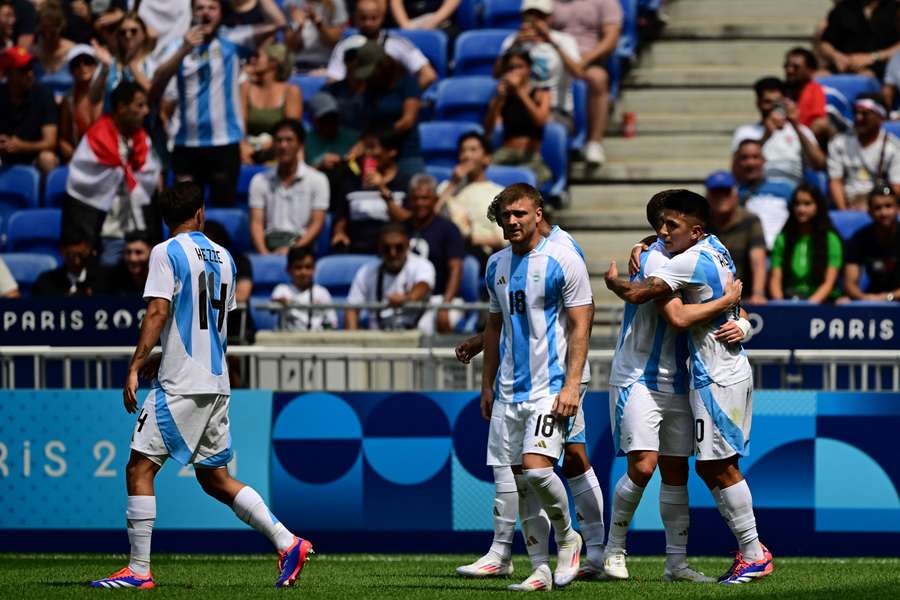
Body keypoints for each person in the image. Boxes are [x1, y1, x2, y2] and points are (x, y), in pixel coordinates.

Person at [89, 182, 313, 590]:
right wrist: (164, 353)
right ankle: (288, 541)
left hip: (181, 383)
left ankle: (138, 571)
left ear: (166, 218)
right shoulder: (225, 258)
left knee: (139, 467)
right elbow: (210, 325)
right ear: (200, 214)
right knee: (214, 477)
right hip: (216, 381)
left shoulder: (165, 251)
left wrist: (136, 364)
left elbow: (159, 310)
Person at [604, 190, 773, 585]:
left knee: (710, 465)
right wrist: (733, 307)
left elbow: (675, 315)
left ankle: (746, 553)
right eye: (658, 225)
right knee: (657, 465)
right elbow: (716, 303)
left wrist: (613, 283)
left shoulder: (684, 259)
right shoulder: (691, 251)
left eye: (670, 225)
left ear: (695, 230)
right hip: (642, 375)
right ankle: (613, 550)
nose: (662, 231)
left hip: (708, 375)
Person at [455, 210, 606, 585]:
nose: (513, 221)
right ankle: (524, 559)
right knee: (527, 469)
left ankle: (596, 548)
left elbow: (581, 314)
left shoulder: (563, 249)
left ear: (539, 215)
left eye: (520, 213)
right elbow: (506, 316)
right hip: (515, 379)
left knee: (560, 461)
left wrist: (572, 382)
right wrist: (482, 355)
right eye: (505, 215)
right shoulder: (500, 262)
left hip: (560, 376)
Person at [149, 0, 287, 207]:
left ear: (221, 13)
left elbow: (278, 23)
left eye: (212, 8)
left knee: (222, 214)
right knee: (184, 214)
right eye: (200, 8)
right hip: (187, 145)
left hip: (224, 144)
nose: (206, 13)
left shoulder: (232, 38)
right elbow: (157, 82)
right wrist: (184, 50)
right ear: (192, 13)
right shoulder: (178, 46)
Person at [62, 81, 160, 265]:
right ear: (122, 107)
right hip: (105, 232)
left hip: (139, 231)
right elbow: (81, 186)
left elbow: (149, 183)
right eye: (139, 105)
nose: (146, 111)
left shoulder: (142, 140)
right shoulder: (96, 140)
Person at [497, 0, 582, 142]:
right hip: (518, 106)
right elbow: (497, 74)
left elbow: (578, 74)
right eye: (529, 16)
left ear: (550, 18)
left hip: (556, 108)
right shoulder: (512, 40)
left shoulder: (565, 40)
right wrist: (514, 45)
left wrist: (552, 42)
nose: (534, 21)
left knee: (542, 127)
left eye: (540, 16)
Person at [551, 0, 622, 166]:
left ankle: (594, 142)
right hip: (555, 60)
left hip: (587, 60)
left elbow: (611, 37)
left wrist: (586, 58)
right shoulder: (549, 2)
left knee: (598, 78)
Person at [249, 120, 329, 254]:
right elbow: (256, 223)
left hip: (302, 249)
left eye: (289, 140)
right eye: (279, 140)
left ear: (300, 144)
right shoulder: (259, 181)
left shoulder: (318, 180)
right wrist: (264, 255)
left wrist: (294, 251)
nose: (283, 145)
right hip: (269, 246)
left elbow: (317, 223)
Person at [731, 77, 825, 187]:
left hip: (792, 192)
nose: (772, 107)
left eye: (777, 103)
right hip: (756, 191)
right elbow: (736, 172)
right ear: (758, 103)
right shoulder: (745, 132)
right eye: (767, 102)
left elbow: (819, 164)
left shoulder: (801, 131)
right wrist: (766, 136)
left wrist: (796, 126)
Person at [350, 41, 425, 177]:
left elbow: (407, 121)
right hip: (376, 155)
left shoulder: (407, 81)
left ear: (383, 65)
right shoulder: (370, 89)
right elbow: (368, 123)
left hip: (406, 153)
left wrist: (377, 138)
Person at [330, 128, 411, 254]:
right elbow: (341, 216)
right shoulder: (351, 182)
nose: (367, 154)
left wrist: (383, 189)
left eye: (372, 148)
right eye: (365, 148)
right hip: (357, 250)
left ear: (392, 151)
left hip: (392, 252)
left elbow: (407, 221)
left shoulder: (405, 182)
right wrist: (339, 233)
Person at [324, 0, 436, 90]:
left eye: (373, 18)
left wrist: (407, 97)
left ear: (382, 17)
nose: (368, 23)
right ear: (355, 18)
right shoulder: (345, 46)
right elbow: (334, 79)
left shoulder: (397, 44)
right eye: (363, 18)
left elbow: (428, 75)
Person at [345, 222, 434, 331]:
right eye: (386, 248)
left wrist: (406, 299)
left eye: (399, 247)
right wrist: (351, 342)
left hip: (417, 336)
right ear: (379, 248)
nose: (393, 253)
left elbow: (423, 286)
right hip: (378, 338)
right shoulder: (366, 272)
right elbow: (352, 309)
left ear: (408, 246)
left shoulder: (422, 265)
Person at [485, 47, 553, 187]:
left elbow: (540, 121)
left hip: (530, 154)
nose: (514, 71)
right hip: (506, 153)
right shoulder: (501, 96)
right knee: (484, 172)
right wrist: (498, 100)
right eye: (510, 68)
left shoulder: (541, 94)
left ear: (529, 69)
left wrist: (521, 92)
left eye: (519, 67)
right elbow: (488, 130)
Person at [405, 174, 465, 334]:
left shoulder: (449, 230)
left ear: (435, 199)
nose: (420, 203)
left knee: (426, 328)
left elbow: (456, 269)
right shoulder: (402, 228)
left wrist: (446, 305)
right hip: (408, 299)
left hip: (440, 297)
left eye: (425, 198)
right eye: (416, 198)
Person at [436, 132, 506, 262]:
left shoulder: (499, 194)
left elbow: (503, 238)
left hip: (476, 252)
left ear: (487, 158)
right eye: (463, 151)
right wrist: (453, 184)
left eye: (473, 150)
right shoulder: (446, 187)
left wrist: (470, 236)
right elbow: (432, 214)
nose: (467, 156)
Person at [769, 185, 843, 303]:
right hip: (789, 300)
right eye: (797, 204)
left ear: (817, 207)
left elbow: (828, 283)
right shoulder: (782, 239)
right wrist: (780, 305)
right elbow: (775, 279)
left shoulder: (831, 239)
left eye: (807, 204)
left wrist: (807, 309)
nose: (801, 209)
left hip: (821, 303)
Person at [705, 170, 768, 304]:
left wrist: (758, 293)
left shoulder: (750, 220)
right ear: (707, 196)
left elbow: (758, 259)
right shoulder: (700, 222)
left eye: (726, 192)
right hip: (705, 297)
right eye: (715, 193)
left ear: (736, 195)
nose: (721, 197)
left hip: (742, 297)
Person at [827, 94, 900, 210]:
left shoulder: (893, 147)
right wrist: (845, 211)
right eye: (856, 113)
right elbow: (836, 181)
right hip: (848, 202)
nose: (858, 118)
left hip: (880, 204)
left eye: (865, 114)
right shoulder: (839, 143)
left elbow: (896, 187)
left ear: (879, 117)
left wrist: (879, 196)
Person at [240, 42, 303, 165]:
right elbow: (239, 126)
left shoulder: (291, 92)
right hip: (247, 153)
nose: (252, 60)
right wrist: (244, 147)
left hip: (279, 152)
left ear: (273, 62)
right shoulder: (245, 88)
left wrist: (272, 144)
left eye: (257, 56)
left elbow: (291, 132)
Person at [0, 46, 58, 174]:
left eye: (30, 68)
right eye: (23, 70)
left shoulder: (43, 95)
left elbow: (50, 142)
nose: (30, 73)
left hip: (34, 157)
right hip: (3, 157)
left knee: (47, 158)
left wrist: (21, 146)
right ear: (8, 74)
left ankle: (44, 194)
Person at [733, 139, 796, 250]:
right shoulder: (731, 195)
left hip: (782, 255)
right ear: (737, 163)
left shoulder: (785, 188)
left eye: (755, 157)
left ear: (764, 160)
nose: (750, 163)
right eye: (744, 158)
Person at [90, 12, 157, 112]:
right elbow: (93, 98)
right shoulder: (109, 62)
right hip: (111, 124)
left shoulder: (152, 64)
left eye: (133, 31)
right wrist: (105, 68)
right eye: (122, 32)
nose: (128, 35)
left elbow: (156, 96)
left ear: (143, 34)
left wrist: (132, 66)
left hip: (143, 124)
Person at [843, 186, 900, 301]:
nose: (883, 212)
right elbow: (850, 283)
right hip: (872, 300)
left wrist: (888, 297)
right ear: (869, 212)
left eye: (888, 206)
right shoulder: (859, 238)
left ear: (898, 208)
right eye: (877, 208)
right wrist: (864, 298)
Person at [818, 0, 900, 79]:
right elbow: (825, 43)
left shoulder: (895, 8)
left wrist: (873, 57)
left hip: (883, 67)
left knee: (865, 79)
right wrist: (835, 56)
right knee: (819, 78)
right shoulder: (844, 8)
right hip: (844, 66)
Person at [271, 245, 338, 331]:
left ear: (314, 269)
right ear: (288, 270)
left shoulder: (322, 292)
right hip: (288, 341)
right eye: (298, 267)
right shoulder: (282, 290)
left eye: (308, 267)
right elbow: (273, 307)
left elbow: (332, 323)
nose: (303, 272)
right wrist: (280, 301)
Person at [58, 44, 103, 163]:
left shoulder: (107, 94)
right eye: (76, 64)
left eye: (87, 61)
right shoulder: (68, 99)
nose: (82, 66)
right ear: (71, 70)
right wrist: (75, 157)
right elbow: (63, 139)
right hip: (79, 159)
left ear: (95, 65)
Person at [32, 233, 109, 296]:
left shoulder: (103, 280)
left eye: (81, 255)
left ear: (88, 250)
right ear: (62, 251)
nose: (77, 261)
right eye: (71, 256)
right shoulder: (46, 281)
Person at [283, 0, 348, 74]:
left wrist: (318, 23)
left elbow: (333, 41)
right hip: (297, 66)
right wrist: (299, 27)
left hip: (326, 65)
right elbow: (290, 47)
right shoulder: (291, 3)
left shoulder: (336, 3)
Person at [782, 47, 829, 143]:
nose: (790, 70)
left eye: (796, 67)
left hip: (803, 141)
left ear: (810, 70)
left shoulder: (815, 89)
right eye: (787, 66)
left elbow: (819, 124)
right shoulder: (780, 90)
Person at [304, 91, 357, 173]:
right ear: (313, 120)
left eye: (333, 117)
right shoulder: (304, 142)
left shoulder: (353, 138)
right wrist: (319, 166)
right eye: (325, 119)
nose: (330, 123)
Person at [33, 1, 75, 83]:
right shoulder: (32, 55)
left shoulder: (73, 52)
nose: (47, 35)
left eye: (52, 31)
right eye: (43, 30)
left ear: (60, 27)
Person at [109, 230, 153, 296]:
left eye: (139, 252)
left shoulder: (159, 280)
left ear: (150, 252)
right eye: (128, 252)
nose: (132, 259)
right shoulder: (113, 280)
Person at [388, 0, 458, 33]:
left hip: (440, 23)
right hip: (410, 24)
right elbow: (395, 2)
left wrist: (433, 22)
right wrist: (406, 26)